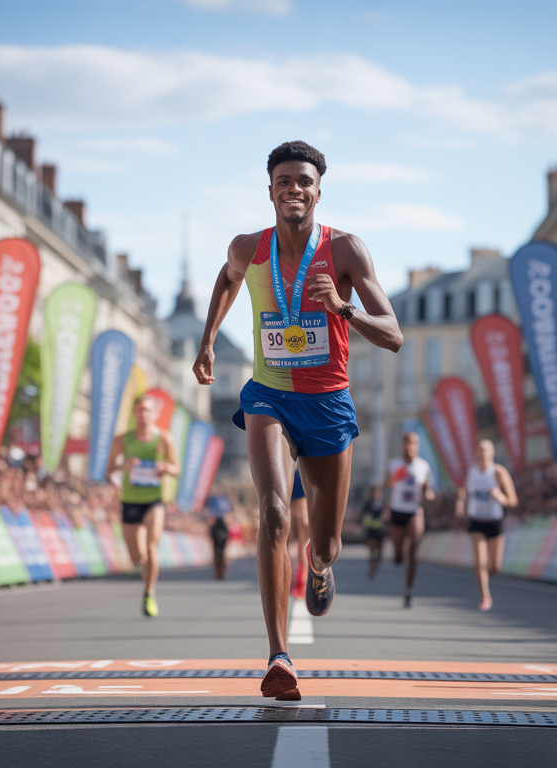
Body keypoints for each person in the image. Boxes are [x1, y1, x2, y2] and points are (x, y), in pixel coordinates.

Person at [193, 140, 403, 701]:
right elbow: (226, 278)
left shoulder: (346, 249)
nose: (294, 188)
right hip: (269, 395)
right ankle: (278, 656)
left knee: (327, 541)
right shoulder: (248, 247)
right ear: (270, 190)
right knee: (274, 510)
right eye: (283, 180)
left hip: (329, 403)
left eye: (303, 181)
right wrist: (209, 339)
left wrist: (343, 308)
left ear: (317, 190)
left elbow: (395, 334)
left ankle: (319, 564)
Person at [107, 394, 179, 617]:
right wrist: (124, 466)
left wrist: (164, 468)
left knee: (151, 547)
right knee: (137, 558)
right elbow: (109, 471)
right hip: (130, 501)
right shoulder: (122, 440)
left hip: (153, 501)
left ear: (155, 414)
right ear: (134, 413)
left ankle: (149, 593)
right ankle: (145, 569)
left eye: (148, 411)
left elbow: (177, 469)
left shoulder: (164, 438)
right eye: (139, 410)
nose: (144, 415)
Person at [455, 439, 518, 611]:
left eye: (485, 450)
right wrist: (460, 503)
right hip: (476, 521)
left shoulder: (498, 472)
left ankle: (487, 581)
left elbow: (513, 500)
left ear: (492, 453)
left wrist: (500, 497)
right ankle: (485, 597)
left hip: (495, 521)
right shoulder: (472, 472)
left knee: (494, 567)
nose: (481, 453)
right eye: (479, 450)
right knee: (480, 563)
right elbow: (463, 490)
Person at [385, 431, 434, 608]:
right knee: (398, 557)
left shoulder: (423, 466)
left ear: (417, 446)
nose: (410, 446)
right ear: (402, 445)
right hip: (397, 510)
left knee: (413, 548)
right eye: (407, 442)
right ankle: (399, 553)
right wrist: (395, 477)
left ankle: (408, 590)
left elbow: (427, 488)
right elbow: (386, 485)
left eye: (413, 443)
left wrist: (429, 494)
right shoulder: (394, 465)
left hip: (414, 511)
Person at [289, 468, 309, 598]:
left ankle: (291, 579)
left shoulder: (292, 472)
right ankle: (302, 582)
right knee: (303, 547)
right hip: (304, 509)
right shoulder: (307, 472)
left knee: (291, 546)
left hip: (290, 508)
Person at [206, 493, 233, 580]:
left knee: (218, 549)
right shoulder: (223, 503)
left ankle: (220, 567)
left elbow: (209, 518)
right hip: (220, 528)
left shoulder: (213, 502)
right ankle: (220, 567)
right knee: (221, 549)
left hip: (218, 528)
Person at [360, 484, 385, 578]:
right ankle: (372, 569)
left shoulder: (382, 504)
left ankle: (376, 567)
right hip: (371, 530)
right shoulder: (368, 504)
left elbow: (386, 515)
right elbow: (364, 516)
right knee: (372, 552)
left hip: (381, 531)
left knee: (380, 552)